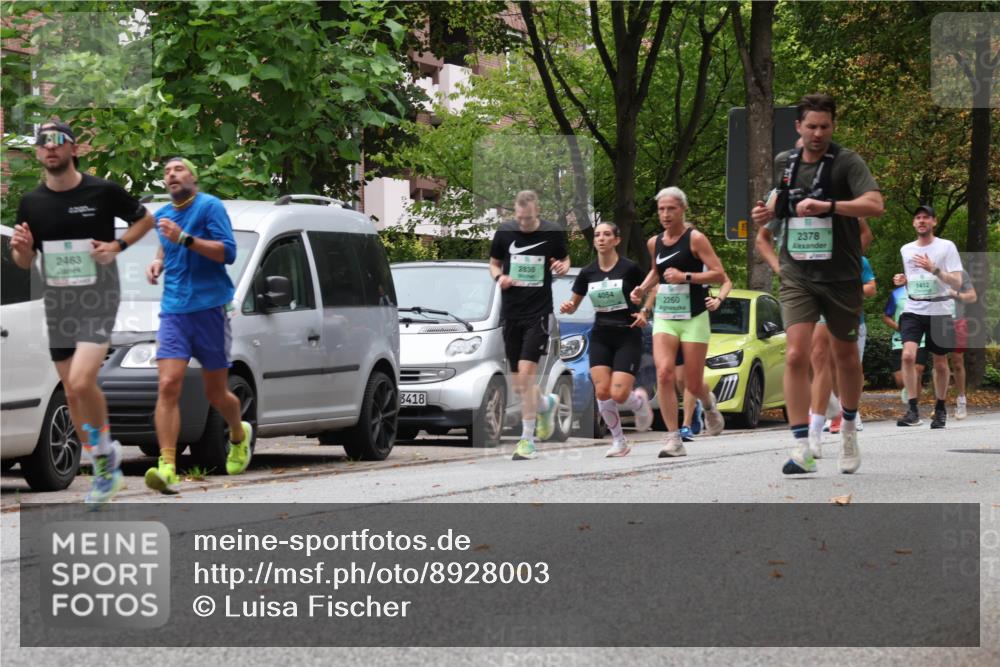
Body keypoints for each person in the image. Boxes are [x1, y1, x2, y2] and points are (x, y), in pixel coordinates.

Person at [10, 120, 155, 505]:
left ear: (74, 149)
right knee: (73, 394)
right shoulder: (31, 202)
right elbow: (25, 261)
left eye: (59, 142)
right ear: (38, 152)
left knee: (80, 378)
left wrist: (117, 246)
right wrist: (22, 249)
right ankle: (104, 460)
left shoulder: (102, 191)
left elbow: (145, 219)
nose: (51, 148)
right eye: (44, 143)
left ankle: (106, 458)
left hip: (99, 297)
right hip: (58, 303)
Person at [751, 93, 884, 475]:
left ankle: (848, 431)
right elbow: (775, 206)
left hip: (841, 275)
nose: (817, 133)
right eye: (811, 126)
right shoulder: (785, 163)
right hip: (797, 273)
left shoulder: (847, 162)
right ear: (798, 126)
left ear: (833, 126)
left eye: (825, 126)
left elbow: (875, 205)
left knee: (844, 357)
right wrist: (765, 210)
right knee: (796, 354)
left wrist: (829, 207)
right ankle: (801, 446)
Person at [144, 157, 252, 493]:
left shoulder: (210, 207)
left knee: (216, 393)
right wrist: (157, 262)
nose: (171, 175)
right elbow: (166, 247)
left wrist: (186, 239)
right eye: (166, 172)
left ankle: (238, 433)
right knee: (168, 384)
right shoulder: (161, 215)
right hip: (174, 311)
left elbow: (228, 253)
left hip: (210, 309)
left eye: (177, 169)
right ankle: (167, 466)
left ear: (193, 175)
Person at [630, 186, 727, 458]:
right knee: (664, 373)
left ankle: (708, 404)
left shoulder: (696, 239)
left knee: (693, 384)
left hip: (694, 317)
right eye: (661, 209)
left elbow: (719, 274)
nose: (665, 214)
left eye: (671, 208)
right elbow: (656, 272)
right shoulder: (654, 242)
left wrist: (686, 277)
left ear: (683, 209)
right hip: (666, 317)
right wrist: (641, 288)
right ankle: (673, 438)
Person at [559, 221, 654, 457]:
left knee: (619, 393)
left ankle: (639, 403)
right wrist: (568, 306)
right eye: (598, 235)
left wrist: (644, 311)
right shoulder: (588, 272)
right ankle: (619, 441)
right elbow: (574, 304)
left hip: (627, 333)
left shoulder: (629, 268)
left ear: (616, 240)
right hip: (601, 334)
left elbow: (654, 287)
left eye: (607, 235)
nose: (601, 238)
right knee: (602, 391)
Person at [489, 190, 570, 461]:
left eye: (528, 219)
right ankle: (546, 403)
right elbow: (494, 263)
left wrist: (561, 266)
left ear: (538, 212)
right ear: (515, 213)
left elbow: (565, 260)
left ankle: (527, 441)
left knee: (527, 374)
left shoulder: (552, 233)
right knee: (519, 382)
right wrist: (500, 277)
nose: (523, 223)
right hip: (511, 314)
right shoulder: (504, 232)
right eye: (519, 218)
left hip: (538, 313)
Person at [893, 205, 964, 429]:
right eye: (918, 218)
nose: (922, 221)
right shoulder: (906, 249)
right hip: (913, 309)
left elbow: (957, 282)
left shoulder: (946, 247)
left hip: (940, 310)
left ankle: (940, 408)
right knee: (907, 356)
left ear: (934, 222)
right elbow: (915, 277)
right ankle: (913, 410)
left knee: (941, 363)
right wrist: (903, 280)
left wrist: (935, 270)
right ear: (914, 223)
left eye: (926, 218)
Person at [883, 283, 928, 401]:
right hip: (900, 339)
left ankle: (914, 407)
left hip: (921, 339)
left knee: (917, 372)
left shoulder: (926, 291)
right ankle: (910, 394)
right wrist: (898, 327)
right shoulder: (896, 293)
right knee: (900, 380)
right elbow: (886, 316)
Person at [947, 270, 977, 420]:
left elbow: (972, 296)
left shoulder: (961, 273)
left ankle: (961, 401)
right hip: (937, 321)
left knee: (958, 362)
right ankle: (940, 404)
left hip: (957, 321)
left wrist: (955, 294)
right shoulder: (930, 271)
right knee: (938, 363)